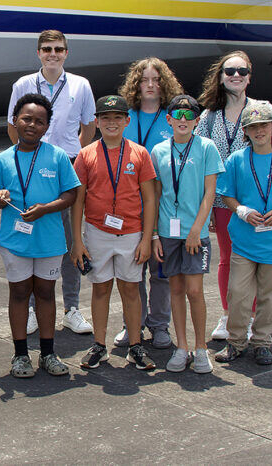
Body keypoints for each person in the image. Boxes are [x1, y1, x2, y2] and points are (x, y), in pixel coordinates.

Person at [6, 30, 96, 336]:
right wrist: (26, 157)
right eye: (47, 49)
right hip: (32, 166)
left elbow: (88, 126)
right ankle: (31, 309)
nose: (52, 54)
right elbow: (13, 125)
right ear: (38, 53)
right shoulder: (23, 84)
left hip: (67, 166)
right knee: (33, 237)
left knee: (70, 240)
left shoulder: (81, 85)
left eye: (58, 49)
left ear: (66, 53)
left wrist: (71, 160)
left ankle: (71, 308)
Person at [0, 94, 80, 377]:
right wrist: (0, 198)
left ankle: (48, 353)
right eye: (26, 119)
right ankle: (20, 355)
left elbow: (71, 194)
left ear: (47, 127)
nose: (32, 125)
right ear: (14, 121)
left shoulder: (57, 156)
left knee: (45, 293)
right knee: (19, 293)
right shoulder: (2, 160)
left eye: (39, 121)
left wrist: (45, 209)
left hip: (49, 241)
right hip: (15, 241)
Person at [197, 51, 272, 340]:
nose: (236, 75)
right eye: (229, 71)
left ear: (249, 76)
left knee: (256, 259)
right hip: (223, 201)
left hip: (258, 200)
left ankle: (252, 317)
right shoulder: (208, 117)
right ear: (221, 77)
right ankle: (228, 314)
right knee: (228, 258)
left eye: (242, 71)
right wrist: (207, 207)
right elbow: (204, 164)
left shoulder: (264, 110)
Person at [71, 95, 158, 371]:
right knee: (101, 287)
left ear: (126, 121)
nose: (112, 123)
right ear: (96, 122)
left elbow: (150, 199)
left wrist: (147, 239)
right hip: (97, 231)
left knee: (131, 288)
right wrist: (77, 241)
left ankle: (135, 346)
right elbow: (78, 200)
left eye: (117, 118)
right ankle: (99, 345)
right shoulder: (86, 154)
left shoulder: (139, 153)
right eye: (105, 118)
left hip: (131, 233)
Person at [215, 103, 272, 365]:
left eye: (264, 125)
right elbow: (226, 194)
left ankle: (262, 343)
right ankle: (235, 342)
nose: (259, 131)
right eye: (252, 127)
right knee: (238, 293)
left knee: (269, 296)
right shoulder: (236, 160)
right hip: (244, 241)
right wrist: (241, 210)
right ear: (245, 131)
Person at [150, 95, 223, 373]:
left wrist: (196, 230)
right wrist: (155, 234)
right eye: (177, 115)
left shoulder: (206, 147)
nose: (183, 120)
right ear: (168, 119)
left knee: (194, 291)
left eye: (189, 115)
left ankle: (200, 348)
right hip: (168, 233)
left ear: (196, 120)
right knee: (176, 289)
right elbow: (156, 195)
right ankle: (181, 347)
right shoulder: (158, 151)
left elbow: (209, 193)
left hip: (195, 233)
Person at [115, 58, 184, 349]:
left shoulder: (173, 118)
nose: (151, 85)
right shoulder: (126, 117)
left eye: (156, 79)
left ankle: (159, 325)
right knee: (131, 272)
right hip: (131, 207)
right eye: (144, 80)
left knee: (161, 272)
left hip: (165, 207)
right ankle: (133, 323)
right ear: (136, 84)